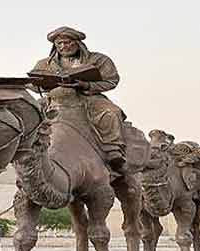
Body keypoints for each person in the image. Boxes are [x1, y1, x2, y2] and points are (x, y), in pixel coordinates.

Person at [30, 26, 127, 171]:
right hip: (55, 98)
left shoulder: (98, 59)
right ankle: (26, 148)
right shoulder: (44, 64)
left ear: (78, 43)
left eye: (68, 42)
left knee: (111, 112)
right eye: (59, 44)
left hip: (88, 97)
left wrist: (86, 85)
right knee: (29, 113)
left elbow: (111, 80)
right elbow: (33, 84)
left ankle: (113, 149)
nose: (63, 46)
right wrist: (42, 85)